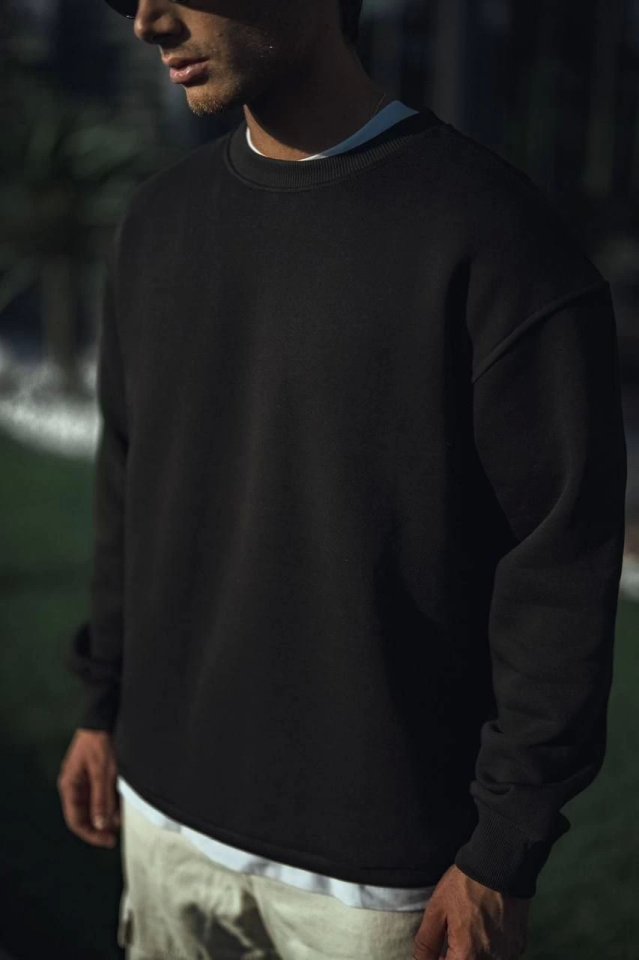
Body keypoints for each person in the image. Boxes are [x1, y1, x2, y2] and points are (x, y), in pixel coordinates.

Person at [56, 1, 627, 958]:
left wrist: (504, 846)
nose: (148, 19)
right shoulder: (157, 221)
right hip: (160, 816)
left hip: (375, 881)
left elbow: (556, 565)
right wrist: (101, 700)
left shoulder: (495, 236)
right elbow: (126, 487)